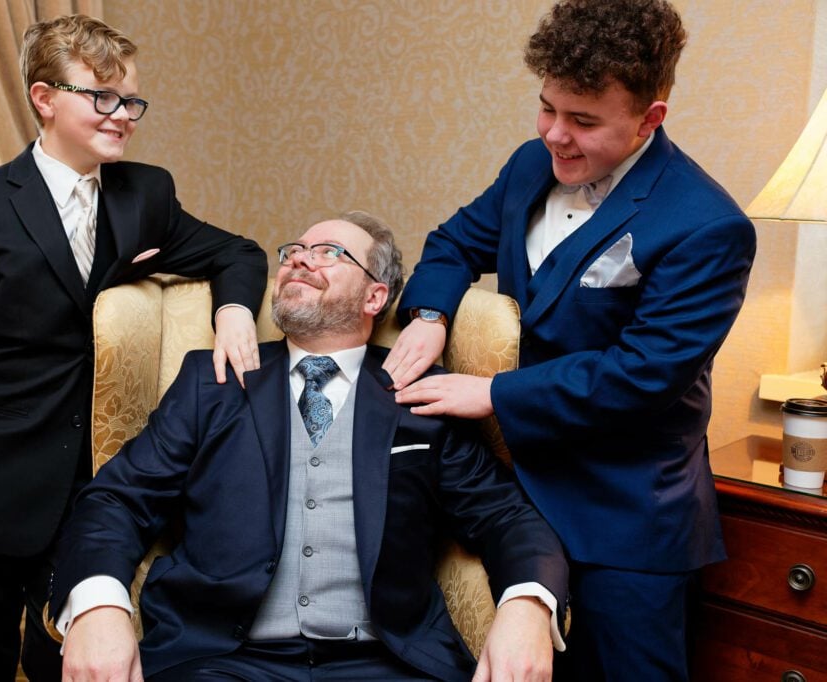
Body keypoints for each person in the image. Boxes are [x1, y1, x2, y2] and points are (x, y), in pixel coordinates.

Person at [384, 1, 756, 679]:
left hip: (625, 516)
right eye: (547, 108)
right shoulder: (529, 165)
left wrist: (493, 391)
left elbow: (641, 375)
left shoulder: (708, 225)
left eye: (583, 121)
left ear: (650, 119)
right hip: (514, 501)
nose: (555, 135)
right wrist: (432, 316)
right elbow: (450, 244)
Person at [0, 14, 267, 680]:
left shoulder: (145, 194)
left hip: (94, 492)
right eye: (103, 98)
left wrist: (235, 310)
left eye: (130, 101)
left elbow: (236, 252)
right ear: (45, 99)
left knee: (65, 660)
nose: (122, 115)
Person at [50, 212, 569, 682]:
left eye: (330, 253)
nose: (300, 256)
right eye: (294, 250)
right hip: (222, 662)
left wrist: (527, 604)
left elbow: (506, 516)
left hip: (387, 663)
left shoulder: (421, 393)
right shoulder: (211, 383)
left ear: (375, 297)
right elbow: (115, 500)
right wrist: (98, 605)